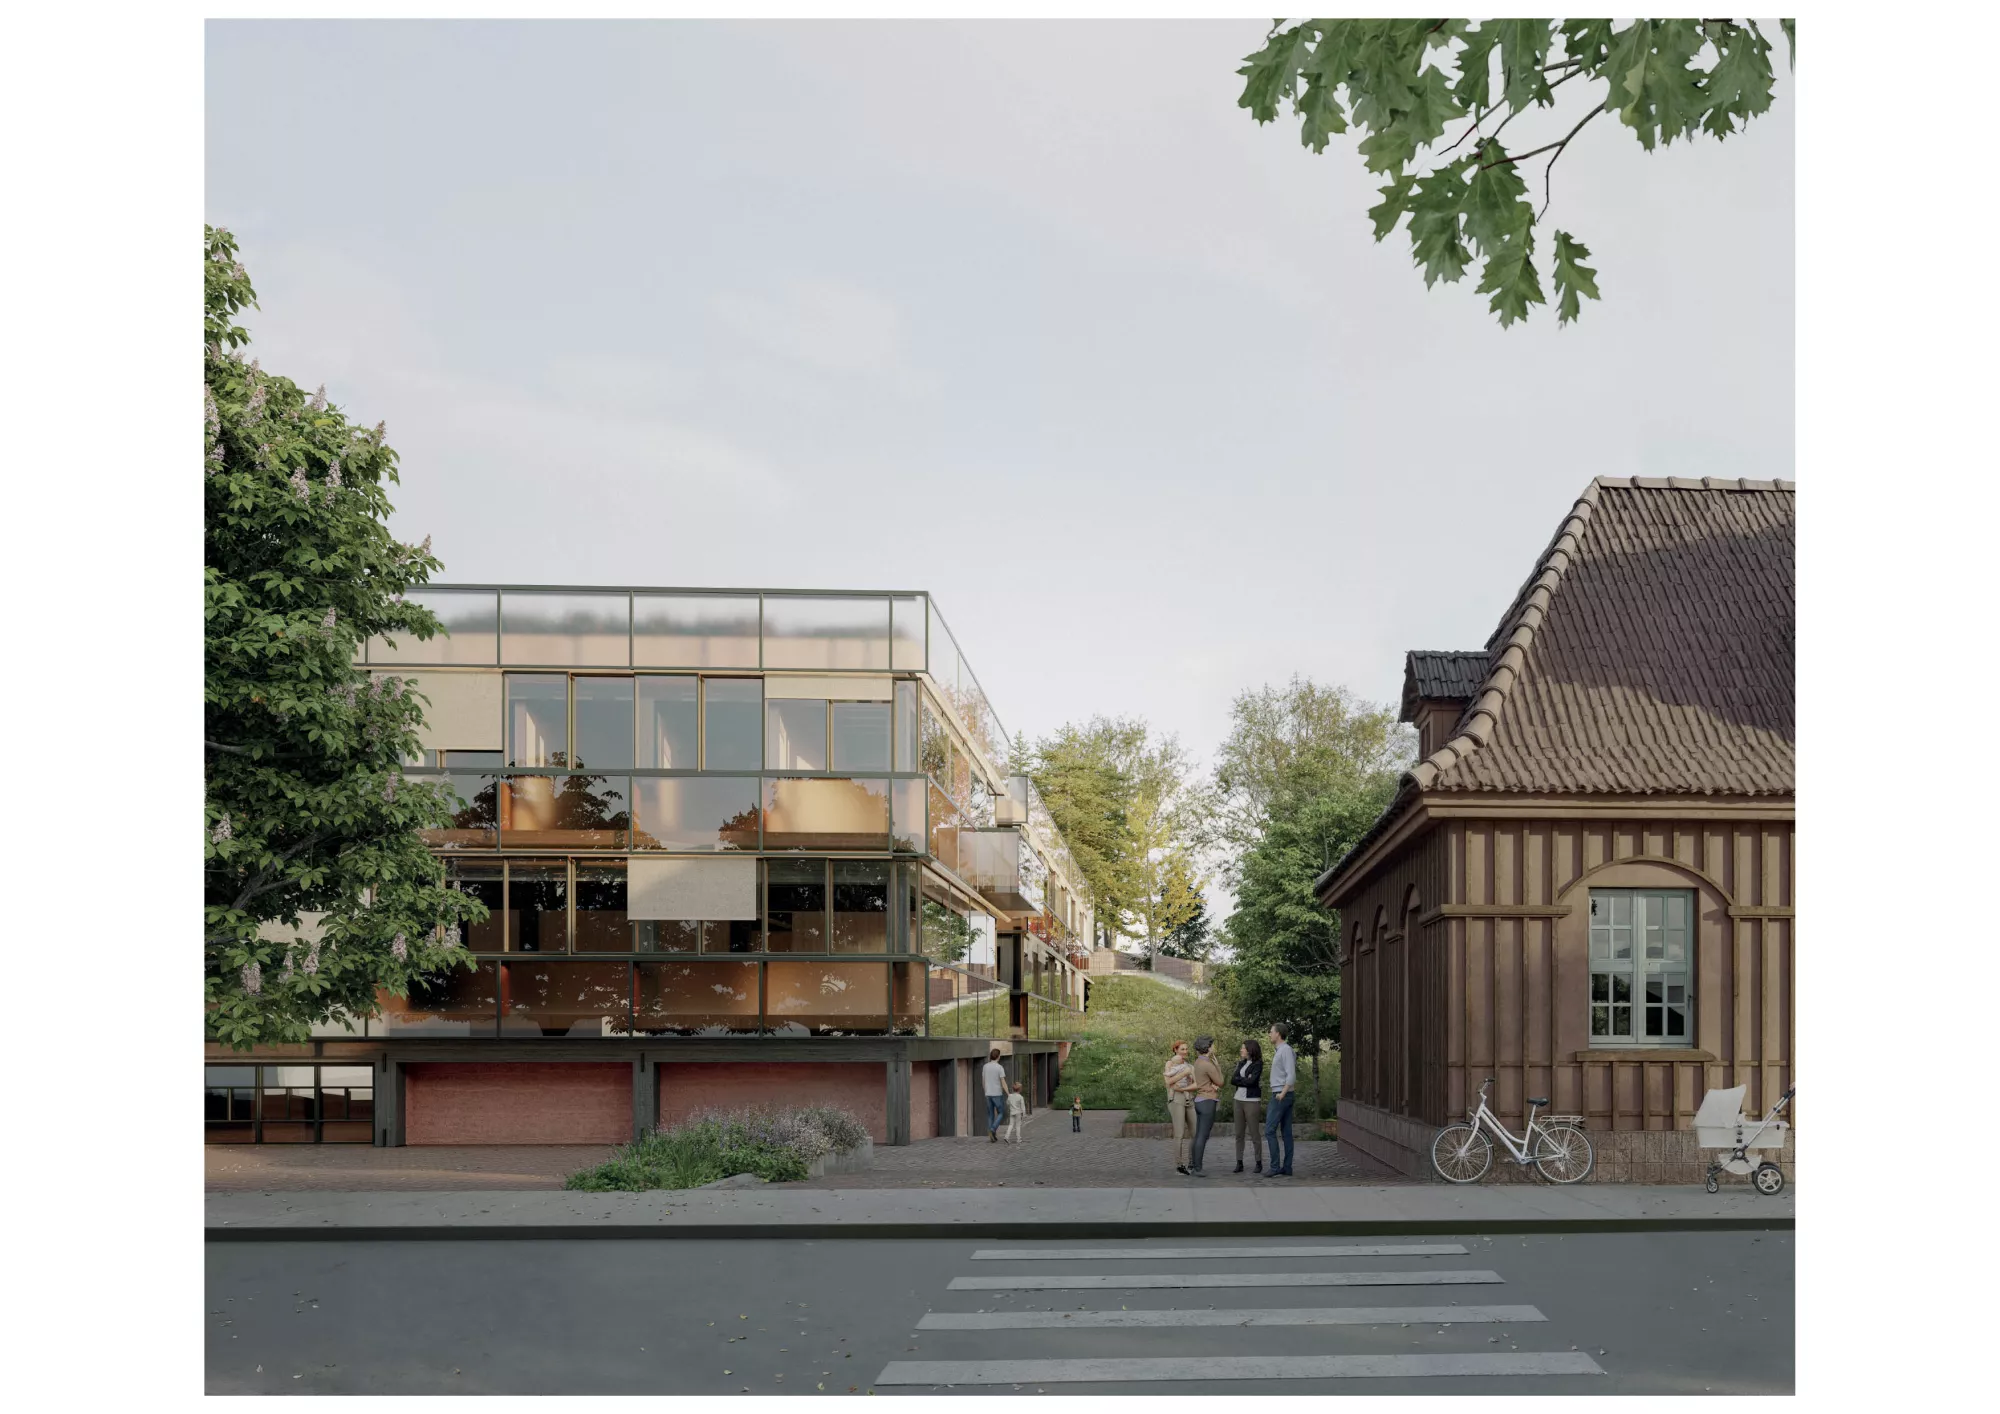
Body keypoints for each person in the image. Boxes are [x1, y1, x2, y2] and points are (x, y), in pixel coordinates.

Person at [1185, 1035, 1225, 1178]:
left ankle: (1194, 1165)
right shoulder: (1207, 1064)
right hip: (1208, 1102)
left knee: (1199, 1135)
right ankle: (1198, 1168)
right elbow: (1220, 1082)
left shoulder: (1198, 1062)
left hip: (1200, 1100)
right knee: (1202, 1135)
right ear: (1207, 1047)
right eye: (1212, 1045)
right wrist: (1218, 1066)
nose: (1214, 1047)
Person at [1262, 1023, 1297, 1177]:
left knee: (1269, 1130)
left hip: (1281, 1095)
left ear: (1278, 1034)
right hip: (1283, 1094)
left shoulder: (1286, 1050)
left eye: (1271, 1032)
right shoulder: (1281, 1051)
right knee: (1286, 1132)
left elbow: (1291, 1074)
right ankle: (1287, 1168)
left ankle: (1275, 1167)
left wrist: (1282, 1093)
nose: (1269, 1034)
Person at [1162, 1039, 1198, 1174]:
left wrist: (1184, 1089)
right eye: (1182, 1049)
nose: (1185, 1051)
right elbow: (1168, 1082)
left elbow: (1197, 1084)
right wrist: (1184, 1073)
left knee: (1195, 1132)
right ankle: (1179, 1165)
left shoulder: (1191, 1066)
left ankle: (1192, 1162)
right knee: (1180, 1134)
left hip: (1189, 1098)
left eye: (1186, 1049)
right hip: (1175, 1099)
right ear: (1175, 1050)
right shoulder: (1170, 1064)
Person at [1231, 1038, 1265, 1174]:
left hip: (1252, 1100)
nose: (1241, 1050)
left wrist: (1242, 1080)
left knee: (1254, 1133)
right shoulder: (1241, 1063)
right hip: (1238, 1099)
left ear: (1250, 1050)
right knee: (1239, 1133)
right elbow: (1233, 1080)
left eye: (1243, 1048)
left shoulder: (1258, 1064)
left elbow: (1253, 1082)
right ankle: (1239, 1162)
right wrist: (1245, 1080)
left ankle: (1258, 1162)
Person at [981, 1047, 1008, 1143]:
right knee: (1001, 1112)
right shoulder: (999, 1067)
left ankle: (992, 1135)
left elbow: (983, 1081)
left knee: (990, 1115)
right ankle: (993, 1129)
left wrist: (985, 1092)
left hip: (988, 1094)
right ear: (998, 1056)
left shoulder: (985, 1066)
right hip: (997, 1094)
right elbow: (1003, 1082)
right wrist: (1008, 1093)